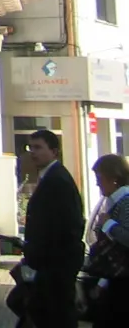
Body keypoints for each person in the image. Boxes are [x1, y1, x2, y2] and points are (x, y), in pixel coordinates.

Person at [21, 129, 86, 328]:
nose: (33, 152)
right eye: (30, 148)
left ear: (54, 151)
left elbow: (67, 225)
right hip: (51, 264)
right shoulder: (50, 177)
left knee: (56, 316)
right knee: (43, 313)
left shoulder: (57, 180)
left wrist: (39, 253)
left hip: (56, 265)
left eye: (38, 147)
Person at [82, 154, 129, 325]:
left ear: (114, 178)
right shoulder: (112, 201)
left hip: (124, 284)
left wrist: (108, 223)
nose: (96, 183)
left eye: (99, 177)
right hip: (115, 279)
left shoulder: (125, 202)